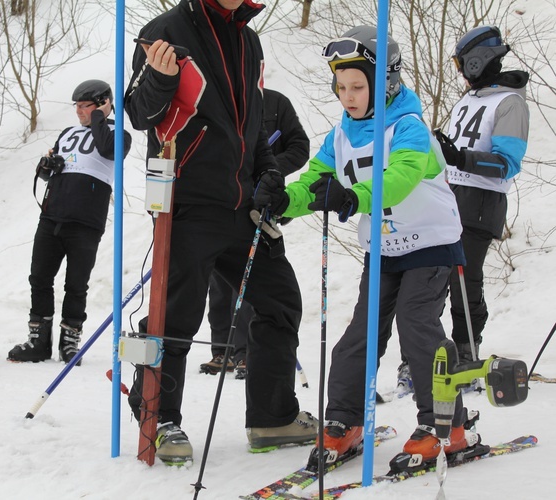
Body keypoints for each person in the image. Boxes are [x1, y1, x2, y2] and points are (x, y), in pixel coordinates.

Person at [253, 26, 482, 473]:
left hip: (431, 245)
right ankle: (344, 421)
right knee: (359, 336)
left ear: (386, 83)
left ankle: (447, 427)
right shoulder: (341, 135)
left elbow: (400, 177)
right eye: (341, 87)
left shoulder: (409, 127)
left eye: (358, 86)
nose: (348, 96)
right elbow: (316, 180)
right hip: (383, 250)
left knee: (418, 327)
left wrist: (353, 196)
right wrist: (286, 201)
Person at [124, 0, 317, 465]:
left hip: (245, 204)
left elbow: (250, 124)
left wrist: (268, 173)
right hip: (188, 202)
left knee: (280, 301)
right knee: (178, 315)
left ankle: (272, 418)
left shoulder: (248, 38)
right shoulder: (165, 29)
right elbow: (138, 114)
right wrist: (161, 78)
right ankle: (160, 416)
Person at [7, 80, 132, 364]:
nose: (78, 111)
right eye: (76, 106)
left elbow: (106, 150)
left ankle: (70, 339)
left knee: (76, 284)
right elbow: (48, 171)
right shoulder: (67, 133)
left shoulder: (118, 134)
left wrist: (99, 116)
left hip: (86, 221)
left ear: (103, 103)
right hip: (53, 214)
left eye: (85, 106)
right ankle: (38, 340)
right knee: (39, 277)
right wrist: (46, 166)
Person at [200, 88, 310, 380]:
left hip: (260, 202)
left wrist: (270, 170)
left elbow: (299, 146)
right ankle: (222, 348)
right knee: (219, 280)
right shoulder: (220, 96)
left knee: (253, 277)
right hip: (223, 200)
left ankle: (247, 352)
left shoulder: (276, 102)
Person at [435, 26, 529, 364]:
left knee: (464, 278)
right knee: (435, 274)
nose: (460, 73)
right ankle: (432, 349)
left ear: (476, 62)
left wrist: (462, 159)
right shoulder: (469, 100)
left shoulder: (510, 103)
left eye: (462, 65)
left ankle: (466, 347)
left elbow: (507, 163)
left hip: (481, 201)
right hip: (451, 195)